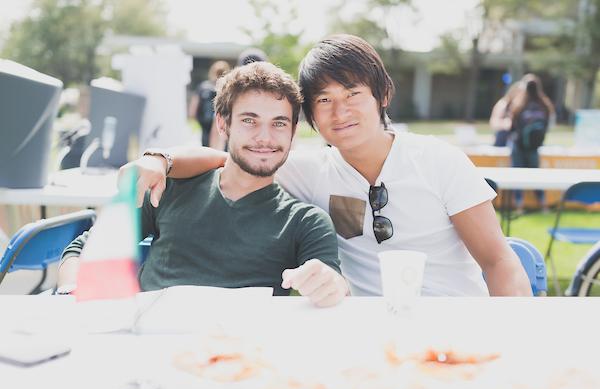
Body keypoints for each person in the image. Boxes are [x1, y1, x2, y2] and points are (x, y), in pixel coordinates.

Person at [125, 34, 532, 297]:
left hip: (452, 328)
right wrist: (159, 159)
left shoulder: (439, 161)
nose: (340, 111)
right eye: (323, 100)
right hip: (360, 332)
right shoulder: (309, 170)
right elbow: (232, 159)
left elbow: (498, 262)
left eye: (353, 93)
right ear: (311, 115)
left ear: (382, 95)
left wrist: (514, 341)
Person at [56, 62, 348, 307]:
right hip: (148, 348)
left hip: (241, 358)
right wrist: (70, 293)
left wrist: (328, 285)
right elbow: (84, 249)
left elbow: (332, 285)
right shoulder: (167, 188)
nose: (265, 137)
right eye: (249, 120)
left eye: (279, 123)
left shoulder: (305, 221)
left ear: (293, 131)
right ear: (223, 125)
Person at [510, 73, 555, 213]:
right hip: (534, 146)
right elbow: (548, 125)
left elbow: (513, 126)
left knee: (517, 175)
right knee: (536, 175)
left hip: (518, 145)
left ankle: (519, 205)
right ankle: (543, 204)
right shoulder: (545, 104)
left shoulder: (519, 104)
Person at [188, 60, 231, 147]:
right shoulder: (228, 88)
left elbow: (192, 110)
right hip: (223, 124)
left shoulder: (203, 87)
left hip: (205, 125)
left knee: (207, 151)